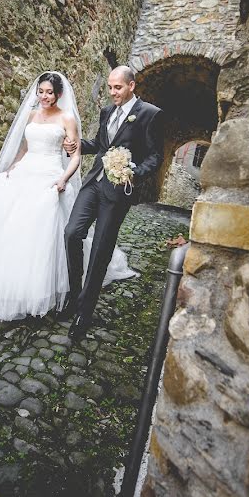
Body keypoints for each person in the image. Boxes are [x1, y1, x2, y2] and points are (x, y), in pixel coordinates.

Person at [0, 71, 136, 321]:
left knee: (41, 231)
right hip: (25, 172)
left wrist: (63, 179)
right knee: (4, 227)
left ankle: (44, 288)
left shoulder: (67, 118)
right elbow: (24, 148)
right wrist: (11, 167)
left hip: (50, 175)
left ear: (58, 94)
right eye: (41, 91)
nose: (44, 96)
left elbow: (74, 156)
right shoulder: (31, 115)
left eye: (49, 92)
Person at [63, 66, 164, 340]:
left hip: (118, 191)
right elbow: (100, 143)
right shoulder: (107, 112)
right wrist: (77, 145)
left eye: (117, 87)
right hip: (93, 183)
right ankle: (74, 294)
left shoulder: (150, 114)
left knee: (100, 251)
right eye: (109, 87)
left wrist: (134, 172)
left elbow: (155, 157)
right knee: (72, 233)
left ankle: (84, 312)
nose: (112, 92)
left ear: (131, 86)